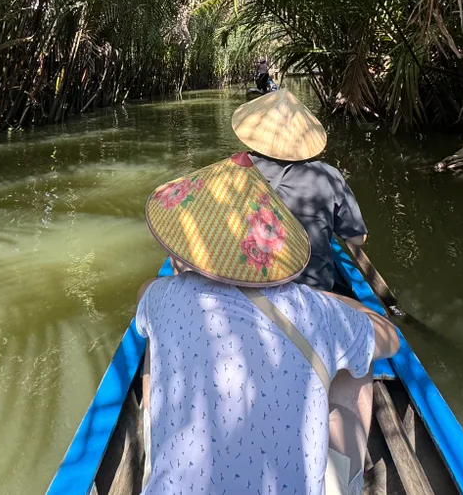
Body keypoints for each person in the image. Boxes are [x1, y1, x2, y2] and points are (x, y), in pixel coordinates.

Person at [137, 156, 398, 495]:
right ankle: (349, 483)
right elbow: (390, 339)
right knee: (359, 366)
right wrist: (340, 302)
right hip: (319, 306)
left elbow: (145, 291)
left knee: (152, 346)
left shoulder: (162, 297)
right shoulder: (314, 308)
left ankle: (151, 460)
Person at [231, 88, 367, 292]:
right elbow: (357, 239)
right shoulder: (328, 175)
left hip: (249, 287)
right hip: (313, 292)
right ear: (304, 138)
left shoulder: (235, 169)